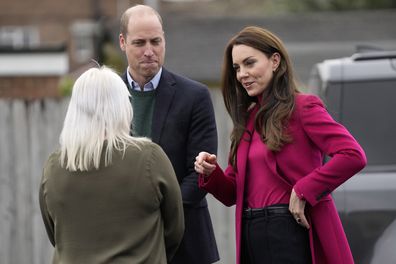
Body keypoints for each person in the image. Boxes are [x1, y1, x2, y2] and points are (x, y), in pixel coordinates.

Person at [194, 26, 367, 264]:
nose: (242, 73)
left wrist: (304, 188)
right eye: (237, 67)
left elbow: (353, 155)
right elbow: (232, 193)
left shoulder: (304, 107)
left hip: (290, 230)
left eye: (249, 63)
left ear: (275, 61)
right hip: (251, 235)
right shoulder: (247, 120)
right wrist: (212, 173)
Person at [39, 66, 184, 264]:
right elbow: (175, 229)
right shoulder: (150, 158)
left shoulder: (54, 166)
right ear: (123, 106)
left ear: (75, 109)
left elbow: (55, 235)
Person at [118, 4, 219, 264]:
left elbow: (200, 174)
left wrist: (155, 213)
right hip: (122, 242)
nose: (149, 51)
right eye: (139, 43)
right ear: (122, 42)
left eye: (156, 41)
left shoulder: (194, 96)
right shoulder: (108, 95)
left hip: (185, 241)